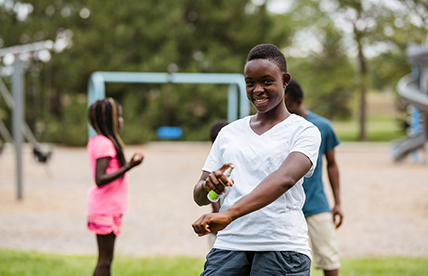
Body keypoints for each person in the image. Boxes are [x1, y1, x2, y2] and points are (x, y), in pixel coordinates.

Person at [192, 44, 321, 276]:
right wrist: (210, 186)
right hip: (229, 245)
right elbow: (200, 195)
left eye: (267, 81)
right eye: (250, 83)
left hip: (281, 248)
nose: (257, 89)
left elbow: (285, 178)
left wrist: (229, 214)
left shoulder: (304, 131)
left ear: (285, 80)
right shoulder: (229, 133)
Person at [284, 79, 343, 276]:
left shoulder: (322, 126)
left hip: (316, 202)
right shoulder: (279, 128)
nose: (286, 109)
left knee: (328, 257)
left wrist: (338, 202)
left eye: (289, 105)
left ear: (298, 101)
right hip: (285, 205)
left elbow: (332, 165)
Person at [87, 97, 144, 276]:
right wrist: (128, 166)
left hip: (109, 207)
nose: (122, 120)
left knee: (107, 259)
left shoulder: (98, 141)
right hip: (105, 208)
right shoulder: (105, 143)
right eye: (118, 116)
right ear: (108, 120)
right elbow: (100, 178)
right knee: (105, 260)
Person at [207, 119, 229, 246]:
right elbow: (213, 197)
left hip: (222, 219)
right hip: (222, 223)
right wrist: (219, 215)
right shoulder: (218, 164)